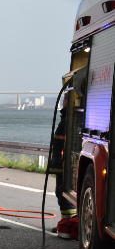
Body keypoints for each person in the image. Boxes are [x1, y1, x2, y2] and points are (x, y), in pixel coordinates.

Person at [49, 95, 78, 239]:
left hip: (64, 165)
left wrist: (56, 161)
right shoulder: (71, 119)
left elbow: (59, 145)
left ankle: (68, 223)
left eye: (65, 100)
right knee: (65, 192)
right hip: (69, 164)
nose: (63, 102)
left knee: (63, 192)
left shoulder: (67, 121)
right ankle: (67, 221)